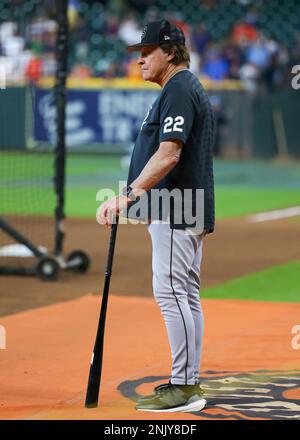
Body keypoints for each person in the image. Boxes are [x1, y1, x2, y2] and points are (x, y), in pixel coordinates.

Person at [97, 19, 215, 413]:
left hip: (177, 208)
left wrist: (127, 197)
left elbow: (169, 153)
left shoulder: (179, 88)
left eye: (147, 52)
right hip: (182, 206)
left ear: (170, 52)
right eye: (139, 54)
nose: (140, 60)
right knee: (186, 295)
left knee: (171, 295)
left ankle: (183, 387)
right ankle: (188, 381)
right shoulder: (180, 87)